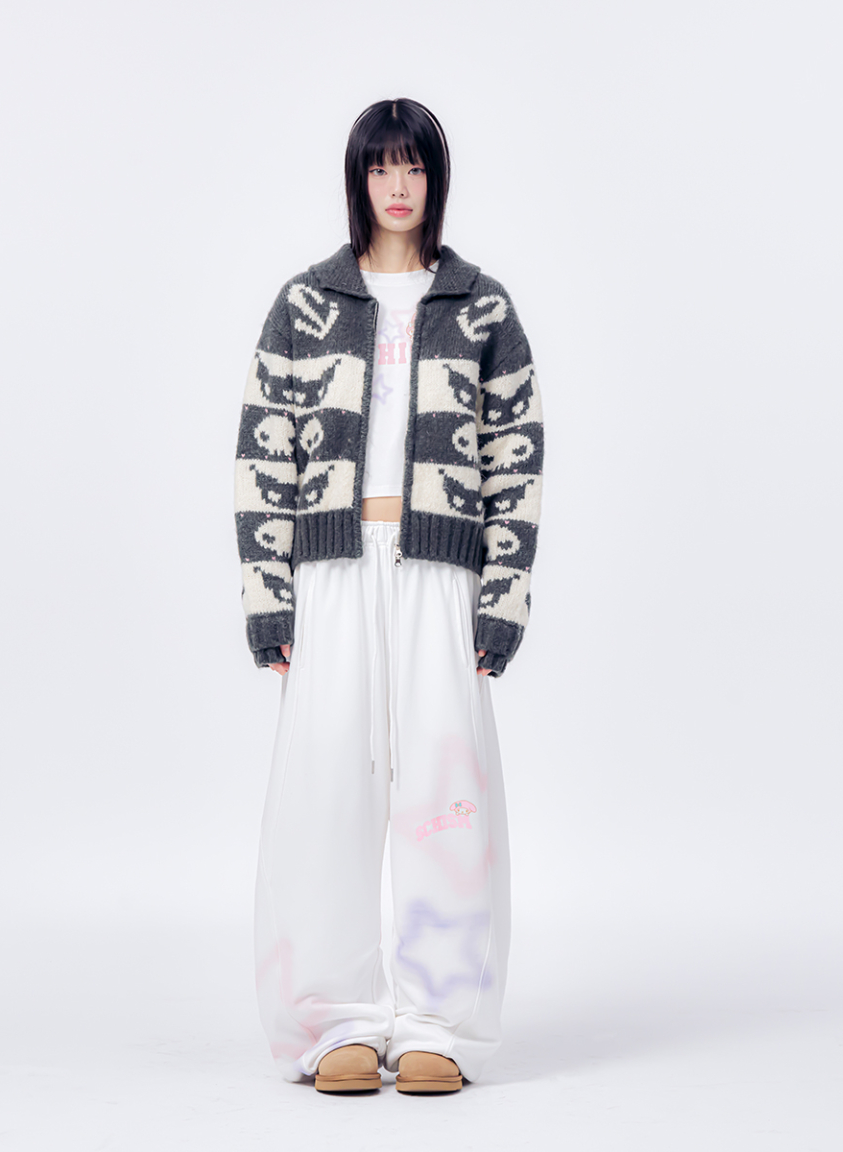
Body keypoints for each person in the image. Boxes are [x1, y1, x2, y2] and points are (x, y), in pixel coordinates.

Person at [233, 97, 544, 1094]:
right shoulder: (306, 304)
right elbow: (262, 458)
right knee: (325, 788)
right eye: (381, 168)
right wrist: (268, 601)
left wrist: (502, 602)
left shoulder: (482, 308)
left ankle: (439, 1024)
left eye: (414, 167)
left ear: (436, 180)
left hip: (442, 571)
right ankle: (333, 1022)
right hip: (329, 569)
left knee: (445, 795)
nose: (398, 186)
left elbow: (516, 459)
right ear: (358, 179)